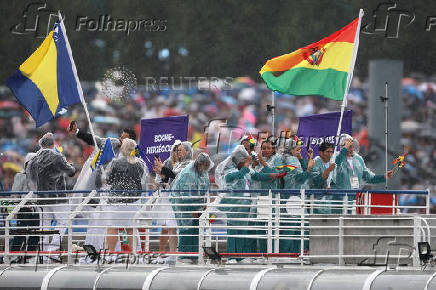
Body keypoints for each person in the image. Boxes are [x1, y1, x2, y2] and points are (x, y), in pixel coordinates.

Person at [219, 145, 282, 262]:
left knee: (242, 231)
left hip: (245, 204)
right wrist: (247, 164)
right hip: (234, 206)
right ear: (239, 161)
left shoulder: (247, 169)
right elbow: (236, 176)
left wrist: (271, 175)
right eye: (244, 160)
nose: (246, 163)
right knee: (233, 232)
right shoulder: (228, 172)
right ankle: (232, 257)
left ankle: (241, 256)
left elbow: (257, 176)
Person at [26, 133, 76, 261]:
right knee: (64, 221)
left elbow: (30, 178)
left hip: (41, 197)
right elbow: (71, 172)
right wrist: (70, 164)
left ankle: (43, 253)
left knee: (44, 224)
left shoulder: (34, 158)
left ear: (41, 144)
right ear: (53, 145)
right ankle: (52, 251)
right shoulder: (57, 156)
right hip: (57, 196)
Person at [102, 138, 149, 256]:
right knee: (131, 229)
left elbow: (109, 180)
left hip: (116, 202)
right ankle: (135, 254)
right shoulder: (140, 163)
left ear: (123, 148)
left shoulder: (116, 162)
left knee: (113, 228)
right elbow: (142, 180)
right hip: (134, 202)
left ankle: (111, 254)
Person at [272, 137, 314, 254]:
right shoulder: (292, 160)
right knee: (293, 229)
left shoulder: (288, 159)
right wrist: (309, 167)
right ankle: (290, 253)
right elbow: (300, 178)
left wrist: (306, 160)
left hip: (292, 197)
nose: (299, 152)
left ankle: (292, 253)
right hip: (294, 198)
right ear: (291, 150)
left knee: (293, 228)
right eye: (297, 150)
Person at [170, 152, 213, 264]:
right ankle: (184, 255)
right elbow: (185, 196)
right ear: (201, 164)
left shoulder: (202, 173)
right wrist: (194, 209)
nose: (207, 169)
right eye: (206, 166)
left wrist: (203, 205)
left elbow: (203, 190)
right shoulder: (188, 174)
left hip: (196, 207)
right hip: (184, 207)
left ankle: (194, 253)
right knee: (186, 229)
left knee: (195, 229)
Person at [152, 140, 181, 262]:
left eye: (179, 150)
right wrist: (162, 178)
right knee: (166, 227)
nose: (176, 152)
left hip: (177, 198)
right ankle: (162, 253)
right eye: (175, 150)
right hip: (166, 198)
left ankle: (176, 253)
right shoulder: (167, 163)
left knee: (177, 226)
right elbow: (158, 181)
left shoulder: (184, 164)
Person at [10, 153, 39, 262]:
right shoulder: (20, 175)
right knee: (20, 234)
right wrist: (16, 208)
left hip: (35, 209)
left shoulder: (39, 177)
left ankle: (30, 257)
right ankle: (13, 256)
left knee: (35, 234)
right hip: (24, 208)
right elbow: (15, 194)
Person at [309, 142, 336, 214]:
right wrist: (328, 170)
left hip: (329, 201)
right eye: (327, 152)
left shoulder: (332, 163)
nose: (330, 154)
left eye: (331, 152)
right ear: (321, 152)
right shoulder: (315, 163)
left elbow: (334, 181)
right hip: (315, 200)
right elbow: (316, 181)